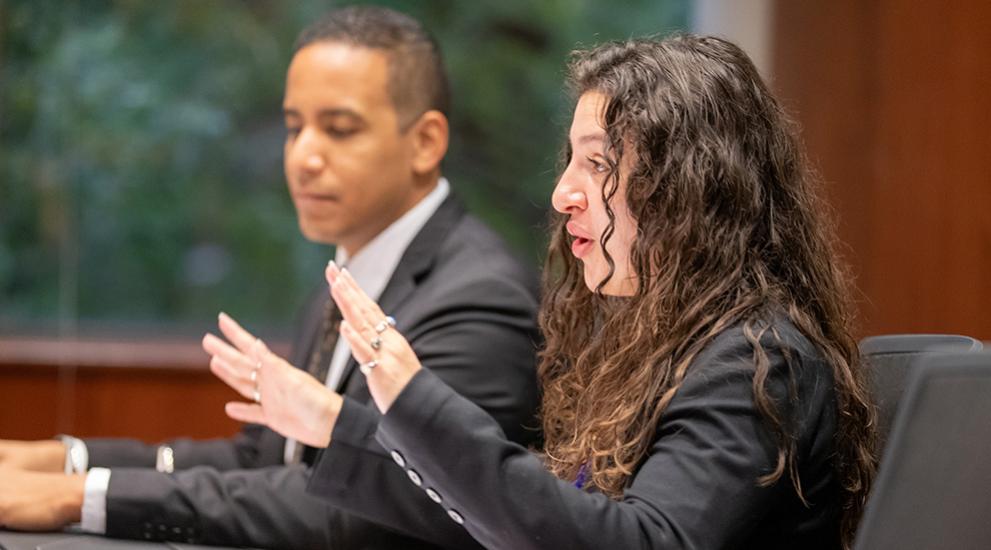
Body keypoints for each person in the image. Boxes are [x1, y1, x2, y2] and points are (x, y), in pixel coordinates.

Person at [210, 35, 879, 549]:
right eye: (570, 160)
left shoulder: (756, 360)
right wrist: (340, 422)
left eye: (597, 163)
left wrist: (415, 399)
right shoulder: (661, 343)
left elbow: (642, 542)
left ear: (687, 189)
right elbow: (548, 504)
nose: (562, 193)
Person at [0, 6, 541, 549]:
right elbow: (263, 459)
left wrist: (76, 495)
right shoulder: (354, 272)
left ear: (425, 141)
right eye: (293, 127)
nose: (303, 156)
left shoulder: (479, 299)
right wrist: (68, 458)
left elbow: (370, 509)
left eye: (339, 129)